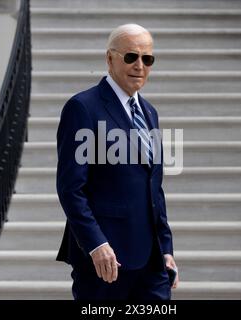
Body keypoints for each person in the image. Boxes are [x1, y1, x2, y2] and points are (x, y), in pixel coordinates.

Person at [56, 23, 179, 300]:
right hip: (106, 260)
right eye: (130, 57)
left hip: (151, 260)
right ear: (109, 58)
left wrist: (166, 248)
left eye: (147, 59)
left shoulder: (150, 112)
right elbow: (71, 189)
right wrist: (96, 244)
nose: (140, 65)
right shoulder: (82, 108)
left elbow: (153, 188)